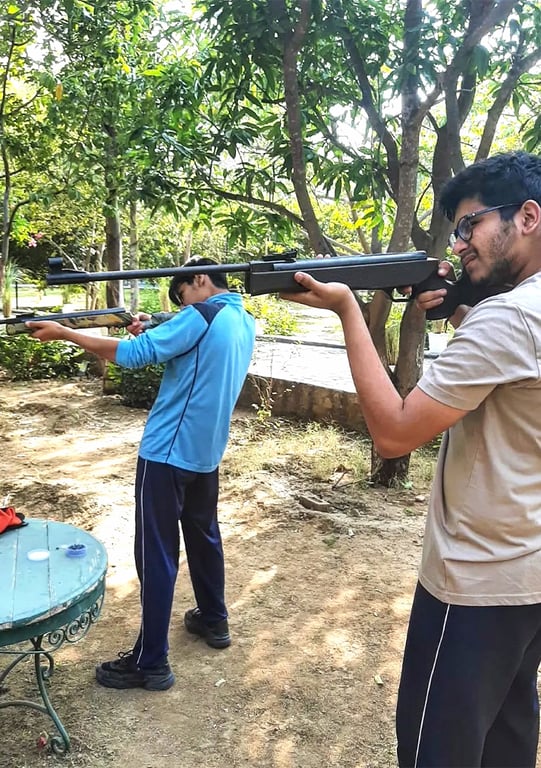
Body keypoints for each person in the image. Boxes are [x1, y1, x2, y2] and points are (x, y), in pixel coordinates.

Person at [281, 150, 541, 767]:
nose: (459, 244)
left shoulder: (508, 318)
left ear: (527, 217)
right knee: (505, 740)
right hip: (527, 571)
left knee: (436, 752)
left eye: (469, 225)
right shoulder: (515, 312)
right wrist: (456, 306)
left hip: (472, 583)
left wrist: (350, 309)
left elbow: (394, 435)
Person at [28, 257, 256, 691]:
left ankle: (150, 662)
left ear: (200, 280)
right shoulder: (241, 318)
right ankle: (214, 619)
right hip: (206, 455)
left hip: (167, 453)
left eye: (182, 294)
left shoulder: (200, 316)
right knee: (205, 537)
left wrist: (65, 332)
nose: (182, 304)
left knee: (157, 553)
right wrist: (160, 321)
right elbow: (188, 330)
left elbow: (133, 355)